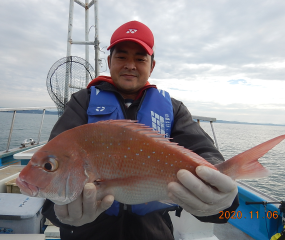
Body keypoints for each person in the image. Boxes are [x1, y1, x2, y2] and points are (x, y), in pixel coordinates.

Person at [42, 20, 239, 240]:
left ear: (152, 66)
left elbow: (203, 151)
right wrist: (63, 217)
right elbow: (55, 167)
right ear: (109, 61)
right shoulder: (82, 103)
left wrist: (222, 199)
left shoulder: (173, 109)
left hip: (153, 232)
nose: (130, 65)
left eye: (140, 58)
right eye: (121, 57)